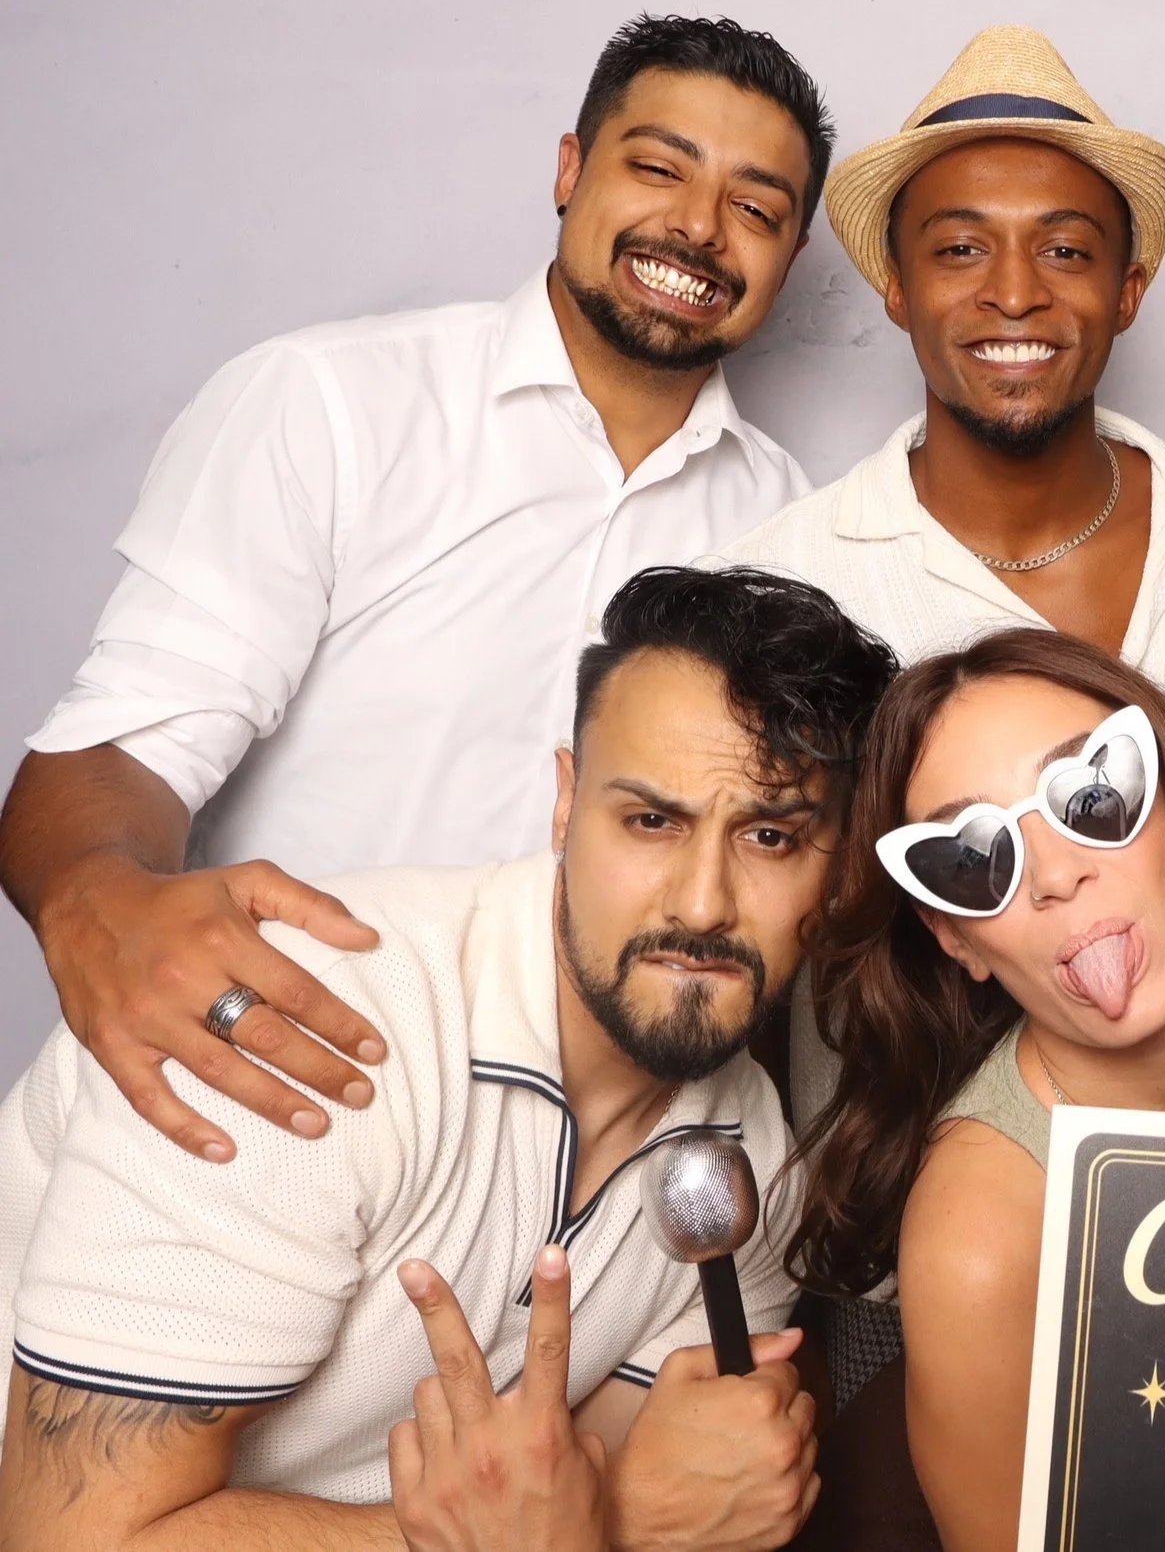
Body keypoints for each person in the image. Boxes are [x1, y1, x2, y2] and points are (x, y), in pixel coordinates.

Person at [0, 13, 833, 1167]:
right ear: (570, 168)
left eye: (755, 208)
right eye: (658, 168)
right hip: (273, 1103)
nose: (697, 227)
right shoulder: (331, 404)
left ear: (790, 257)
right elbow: (115, 753)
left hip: (579, 1162)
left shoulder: (793, 529)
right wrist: (102, 901)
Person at [0, 564, 899, 1545]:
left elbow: (622, 1491)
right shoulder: (302, 1036)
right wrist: (611, 1519)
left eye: (769, 837)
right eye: (651, 821)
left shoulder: (742, 1165)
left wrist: (615, 1513)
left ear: (842, 866)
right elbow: (68, 1537)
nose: (700, 903)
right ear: (565, 805)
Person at [786, 630, 1165, 1552]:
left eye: (1095, 797)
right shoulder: (979, 1236)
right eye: (975, 861)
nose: (1055, 875)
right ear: (956, 938)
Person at [721, 26, 1165, 782]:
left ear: (1127, 293)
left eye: (1065, 251)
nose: (1016, 294)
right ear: (898, 288)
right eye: (961, 249)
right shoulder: (783, 582)